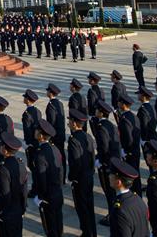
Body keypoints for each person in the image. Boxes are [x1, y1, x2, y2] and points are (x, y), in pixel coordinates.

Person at [0, 133, 28, 237]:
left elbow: (4, 194)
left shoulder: (3, 168)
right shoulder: (20, 163)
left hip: (7, 215)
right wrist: (23, 208)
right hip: (18, 211)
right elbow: (24, 190)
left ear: (5, 150)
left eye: (2, 145)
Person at [67, 109, 97, 237]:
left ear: (74, 123)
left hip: (80, 179)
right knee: (89, 206)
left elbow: (75, 163)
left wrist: (72, 177)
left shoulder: (73, 140)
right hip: (88, 175)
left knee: (82, 208)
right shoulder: (87, 136)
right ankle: (92, 232)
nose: (68, 122)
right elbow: (92, 156)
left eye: (70, 121)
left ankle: (87, 233)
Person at [31, 119, 63, 237]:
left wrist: (41, 196)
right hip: (57, 192)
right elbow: (61, 171)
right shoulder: (54, 149)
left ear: (40, 135)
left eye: (36, 131)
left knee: (50, 228)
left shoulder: (40, 154)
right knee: (58, 224)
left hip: (48, 196)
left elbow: (41, 178)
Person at [108, 157, 149, 237]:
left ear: (118, 182)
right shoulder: (138, 199)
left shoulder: (119, 211)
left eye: (111, 175)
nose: (109, 176)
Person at [45, 83, 66, 182]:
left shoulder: (51, 105)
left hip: (55, 135)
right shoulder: (59, 103)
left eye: (48, 91)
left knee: (56, 157)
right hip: (61, 133)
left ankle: (59, 177)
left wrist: (49, 135)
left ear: (50, 93)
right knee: (62, 155)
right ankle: (63, 177)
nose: (47, 92)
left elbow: (51, 122)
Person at [21, 89, 42, 178]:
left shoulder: (26, 114)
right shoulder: (37, 111)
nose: (24, 99)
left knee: (31, 164)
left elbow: (27, 130)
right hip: (38, 140)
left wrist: (27, 143)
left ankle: (36, 186)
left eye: (25, 97)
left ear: (28, 100)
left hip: (31, 143)